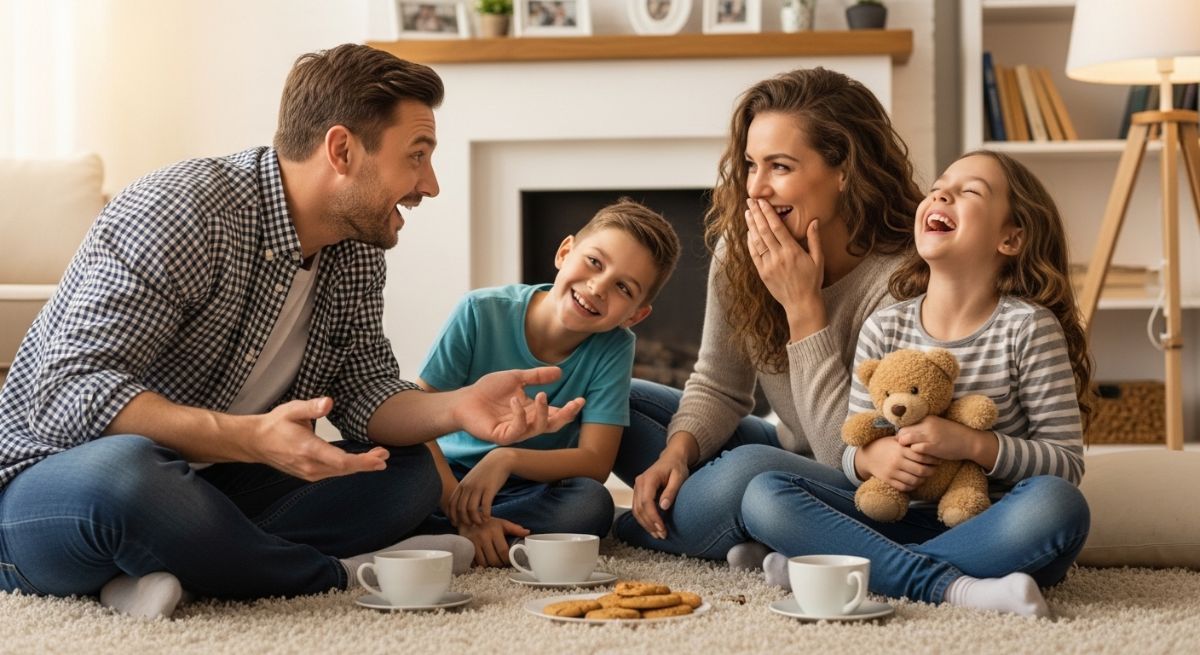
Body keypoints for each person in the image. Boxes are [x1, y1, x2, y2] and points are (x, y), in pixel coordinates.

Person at [0, 44, 585, 619]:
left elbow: (366, 391)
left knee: (404, 472)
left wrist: (458, 408)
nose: (429, 185)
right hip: (53, 482)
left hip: (214, 489)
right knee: (125, 478)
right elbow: (65, 394)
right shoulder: (182, 212)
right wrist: (249, 437)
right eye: (416, 155)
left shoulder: (353, 252)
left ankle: (173, 565)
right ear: (342, 150)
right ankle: (330, 571)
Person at [741, 150, 1093, 618]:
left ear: (1011, 238)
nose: (941, 193)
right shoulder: (884, 327)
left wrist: (972, 444)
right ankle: (959, 589)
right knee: (765, 494)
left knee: (1059, 505)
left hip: (990, 527)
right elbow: (851, 443)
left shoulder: (1029, 328)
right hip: (890, 520)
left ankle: (847, 568)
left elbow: (1065, 464)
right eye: (938, 188)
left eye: (969, 191)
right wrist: (870, 458)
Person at [610, 67, 923, 565]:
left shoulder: (902, 279)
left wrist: (803, 308)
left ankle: (628, 528)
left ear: (845, 171)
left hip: (855, 479)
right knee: (618, 404)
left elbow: (844, 454)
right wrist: (677, 454)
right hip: (785, 446)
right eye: (751, 165)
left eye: (780, 167)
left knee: (749, 471)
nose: (755, 189)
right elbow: (718, 384)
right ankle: (748, 528)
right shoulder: (742, 249)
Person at [416, 200, 680, 567]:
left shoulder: (615, 347)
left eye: (623, 287)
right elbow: (419, 419)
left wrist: (505, 459)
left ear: (636, 315)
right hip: (446, 477)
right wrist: (459, 507)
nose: (598, 286)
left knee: (590, 504)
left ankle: (442, 540)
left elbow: (594, 461)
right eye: (594, 262)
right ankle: (470, 532)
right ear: (564, 252)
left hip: (526, 483)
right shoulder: (479, 311)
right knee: (398, 481)